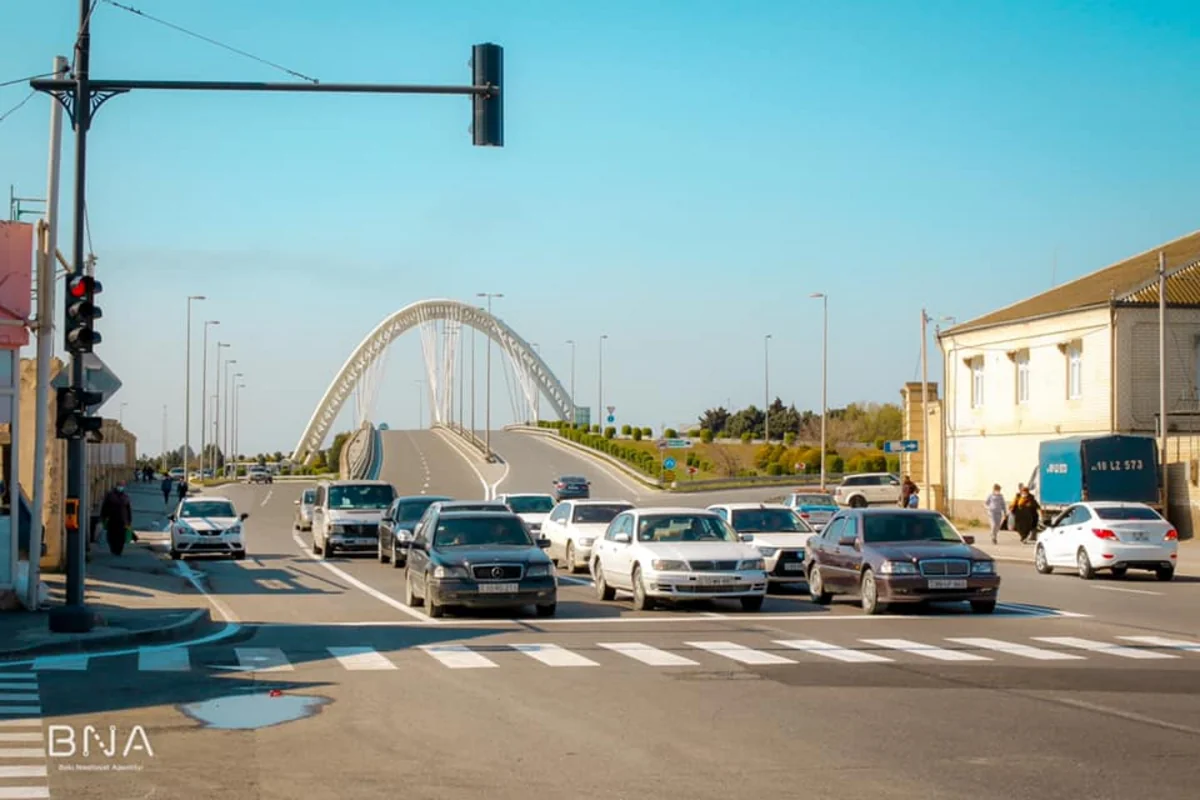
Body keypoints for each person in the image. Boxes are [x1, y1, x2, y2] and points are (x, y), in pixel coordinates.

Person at [100, 481, 133, 556]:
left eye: (122, 486)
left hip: (122, 520)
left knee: (121, 537)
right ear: (116, 486)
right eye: (119, 485)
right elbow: (105, 507)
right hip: (112, 519)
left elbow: (128, 510)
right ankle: (113, 548)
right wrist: (103, 517)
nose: (121, 487)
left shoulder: (125, 497)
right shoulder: (110, 496)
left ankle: (119, 550)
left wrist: (129, 521)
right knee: (112, 536)